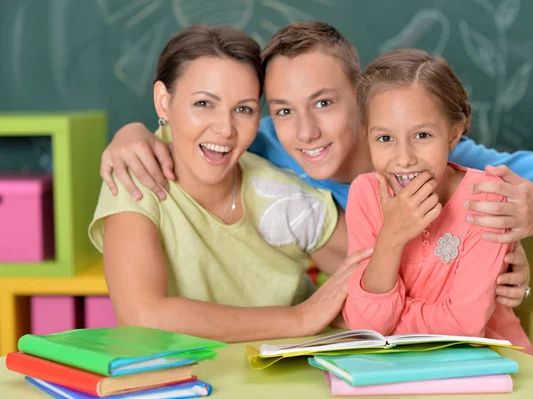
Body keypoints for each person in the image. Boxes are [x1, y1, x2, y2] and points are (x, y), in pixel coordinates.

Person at [98, 22, 533, 306]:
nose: (305, 133)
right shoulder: (266, 143)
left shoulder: (431, 157)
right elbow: (202, 129)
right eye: (283, 110)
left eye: (324, 103)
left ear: (361, 101)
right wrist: (132, 133)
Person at [88, 25, 373, 343]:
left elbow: (376, 270)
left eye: (243, 109)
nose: (225, 129)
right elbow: (142, 317)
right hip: (189, 378)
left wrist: (333, 315)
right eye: (203, 104)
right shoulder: (135, 173)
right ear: (163, 102)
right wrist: (301, 317)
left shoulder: (278, 186)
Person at [342, 49, 533, 356]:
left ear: (453, 133)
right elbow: (366, 325)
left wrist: (391, 324)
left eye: (422, 134)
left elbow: (463, 326)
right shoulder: (365, 194)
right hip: (401, 368)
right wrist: (390, 239)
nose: (404, 159)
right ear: (366, 135)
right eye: (385, 139)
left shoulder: (487, 199)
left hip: (494, 367)